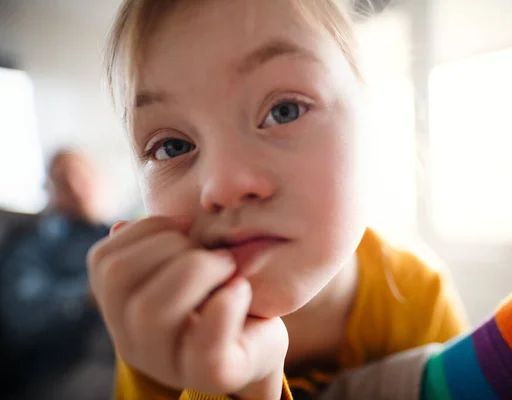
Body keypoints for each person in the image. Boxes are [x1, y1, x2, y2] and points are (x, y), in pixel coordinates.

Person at [89, 1, 469, 399]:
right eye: (171, 146)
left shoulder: (418, 295)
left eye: (284, 111)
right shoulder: (159, 324)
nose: (223, 185)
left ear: (372, 124)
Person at [0, 149, 112, 399]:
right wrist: (88, 294)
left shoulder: (117, 232)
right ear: (50, 193)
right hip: (73, 368)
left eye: (80, 177)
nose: (75, 188)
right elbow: (21, 313)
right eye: (62, 181)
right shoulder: (37, 243)